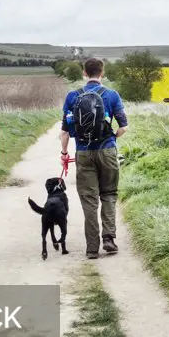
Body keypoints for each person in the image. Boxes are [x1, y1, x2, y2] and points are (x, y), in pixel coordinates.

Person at [60, 58, 128, 259]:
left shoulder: (73, 96)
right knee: (109, 194)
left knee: (89, 200)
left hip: (83, 153)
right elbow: (123, 126)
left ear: (84, 73)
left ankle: (91, 248)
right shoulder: (112, 95)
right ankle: (109, 238)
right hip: (107, 150)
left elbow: (65, 131)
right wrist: (112, 138)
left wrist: (64, 153)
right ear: (102, 73)